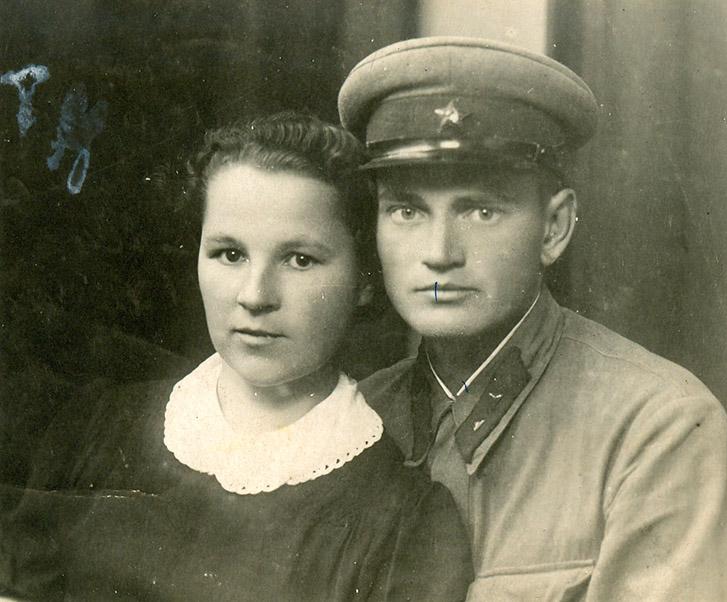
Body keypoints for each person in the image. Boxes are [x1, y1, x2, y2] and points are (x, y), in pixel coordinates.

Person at [339, 37, 727, 601]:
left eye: (482, 210)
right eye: (407, 210)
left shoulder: (658, 431)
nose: (440, 253)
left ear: (554, 228)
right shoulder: (351, 423)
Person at [0, 113, 471, 601]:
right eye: (230, 254)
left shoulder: (403, 525)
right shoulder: (98, 426)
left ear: (364, 280)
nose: (255, 295)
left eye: (300, 260)